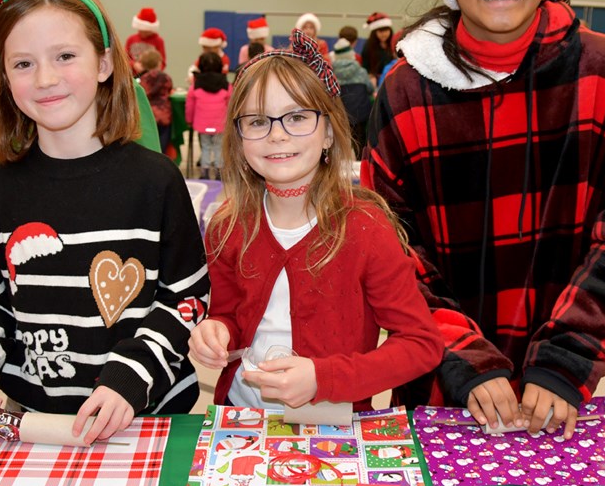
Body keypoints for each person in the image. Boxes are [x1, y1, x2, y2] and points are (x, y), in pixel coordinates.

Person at [361, 0, 605, 439]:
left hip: (561, 396)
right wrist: (463, 355)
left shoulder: (603, 67)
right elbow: (388, 246)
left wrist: (566, 359)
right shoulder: (406, 87)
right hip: (438, 383)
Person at [0, 0, 210, 443]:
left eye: (65, 56)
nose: (45, 79)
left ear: (105, 62)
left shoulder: (155, 181)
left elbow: (187, 300)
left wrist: (131, 376)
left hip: (148, 417)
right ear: (3, 77)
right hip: (35, 425)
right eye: (22, 64)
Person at [187, 30, 443, 413]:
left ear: (327, 132)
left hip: (333, 426)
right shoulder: (227, 226)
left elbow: (421, 345)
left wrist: (325, 379)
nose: (277, 135)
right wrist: (216, 330)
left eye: (297, 117)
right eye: (257, 122)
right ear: (239, 141)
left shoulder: (365, 227)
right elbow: (229, 314)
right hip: (241, 418)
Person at [186, 51, 232, 180]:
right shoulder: (226, 84)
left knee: (205, 147)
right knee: (219, 147)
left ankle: (204, 172)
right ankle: (219, 172)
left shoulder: (196, 84)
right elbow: (231, 105)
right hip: (220, 124)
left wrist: (189, 120)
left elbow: (190, 105)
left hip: (202, 124)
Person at [330, 37, 374, 156]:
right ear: (351, 54)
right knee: (360, 143)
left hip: (341, 115)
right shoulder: (361, 71)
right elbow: (370, 89)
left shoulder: (331, 74)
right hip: (361, 114)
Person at [138, 49, 174, 153]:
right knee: (162, 144)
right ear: (159, 62)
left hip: (148, 115)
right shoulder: (166, 77)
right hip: (163, 116)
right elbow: (169, 89)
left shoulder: (143, 79)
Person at [125, 7, 167, 76]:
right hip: (133, 76)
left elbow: (162, 62)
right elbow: (125, 58)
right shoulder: (131, 39)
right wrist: (134, 64)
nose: (143, 33)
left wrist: (154, 72)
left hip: (151, 78)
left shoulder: (159, 41)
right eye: (142, 30)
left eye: (146, 32)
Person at [361, 12, 395, 84]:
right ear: (375, 32)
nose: (384, 34)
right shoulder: (368, 46)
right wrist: (371, 77)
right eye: (380, 31)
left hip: (391, 78)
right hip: (374, 80)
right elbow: (365, 67)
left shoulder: (393, 44)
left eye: (386, 31)